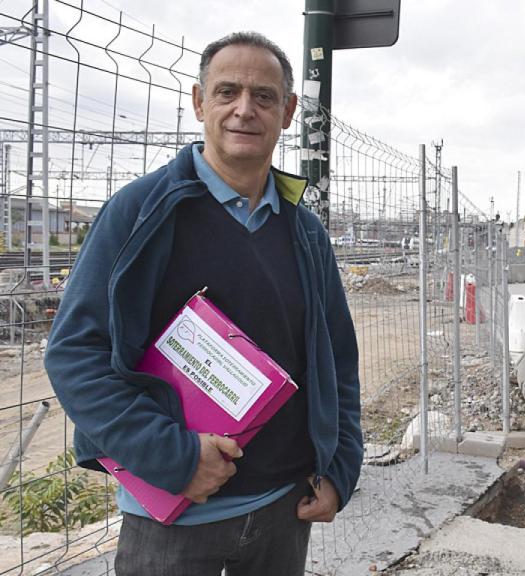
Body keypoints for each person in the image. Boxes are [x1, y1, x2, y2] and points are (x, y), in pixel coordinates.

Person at [44, 31, 362, 576]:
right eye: (227, 91)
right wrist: (176, 457)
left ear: (286, 112)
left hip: (285, 511)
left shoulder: (304, 232)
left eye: (264, 96)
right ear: (198, 102)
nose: (245, 109)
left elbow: (336, 359)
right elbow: (74, 354)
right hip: (173, 518)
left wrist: (340, 468)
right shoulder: (140, 211)